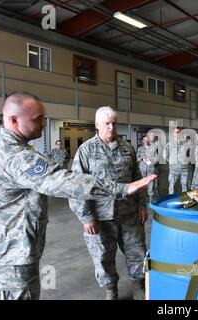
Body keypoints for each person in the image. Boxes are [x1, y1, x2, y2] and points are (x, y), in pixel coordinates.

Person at [0, 92, 156, 300]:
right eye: (38, 119)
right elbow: (65, 181)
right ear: (13, 120)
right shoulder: (15, 155)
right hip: (13, 252)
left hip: (5, 245)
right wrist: (122, 189)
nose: (44, 123)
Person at [69, 106, 149, 300]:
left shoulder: (127, 147)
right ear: (97, 125)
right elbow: (76, 187)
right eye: (107, 124)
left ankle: (139, 286)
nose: (111, 127)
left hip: (129, 214)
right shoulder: (86, 150)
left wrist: (142, 205)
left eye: (114, 123)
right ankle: (110, 290)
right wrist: (86, 217)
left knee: (137, 251)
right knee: (103, 257)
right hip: (101, 218)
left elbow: (137, 178)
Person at [163, 127, 190, 194]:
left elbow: (189, 154)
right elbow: (164, 154)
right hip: (173, 169)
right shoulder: (170, 144)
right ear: (173, 134)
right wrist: (171, 161)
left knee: (184, 186)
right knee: (172, 186)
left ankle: (184, 201)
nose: (177, 134)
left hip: (184, 169)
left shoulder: (185, 144)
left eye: (179, 132)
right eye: (176, 132)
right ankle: (171, 200)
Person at [137, 134, 159, 201]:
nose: (146, 141)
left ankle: (151, 199)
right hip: (142, 169)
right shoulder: (140, 149)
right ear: (142, 141)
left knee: (151, 184)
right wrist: (142, 158)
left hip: (151, 168)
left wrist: (150, 158)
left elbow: (157, 159)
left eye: (147, 139)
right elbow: (137, 158)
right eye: (144, 139)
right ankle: (143, 198)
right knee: (143, 183)